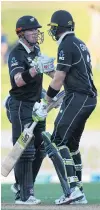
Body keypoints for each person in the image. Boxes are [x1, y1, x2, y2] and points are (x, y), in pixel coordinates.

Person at [32, 10, 97, 205]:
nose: (52, 32)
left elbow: (60, 80)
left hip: (78, 97)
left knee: (58, 141)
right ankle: (79, 192)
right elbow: (66, 76)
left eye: (53, 28)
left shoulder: (66, 44)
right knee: (72, 147)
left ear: (59, 28)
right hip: (86, 98)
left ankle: (73, 190)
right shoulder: (78, 43)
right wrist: (49, 70)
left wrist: (45, 102)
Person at [7, 15, 55, 204]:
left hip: (37, 106)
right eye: (31, 29)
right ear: (21, 33)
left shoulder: (37, 50)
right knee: (24, 149)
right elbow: (18, 81)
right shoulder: (16, 53)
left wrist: (59, 87)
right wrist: (35, 69)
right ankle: (24, 195)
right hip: (20, 107)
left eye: (37, 29)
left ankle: (23, 186)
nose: (36, 32)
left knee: (40, 147)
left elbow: (49, 72)